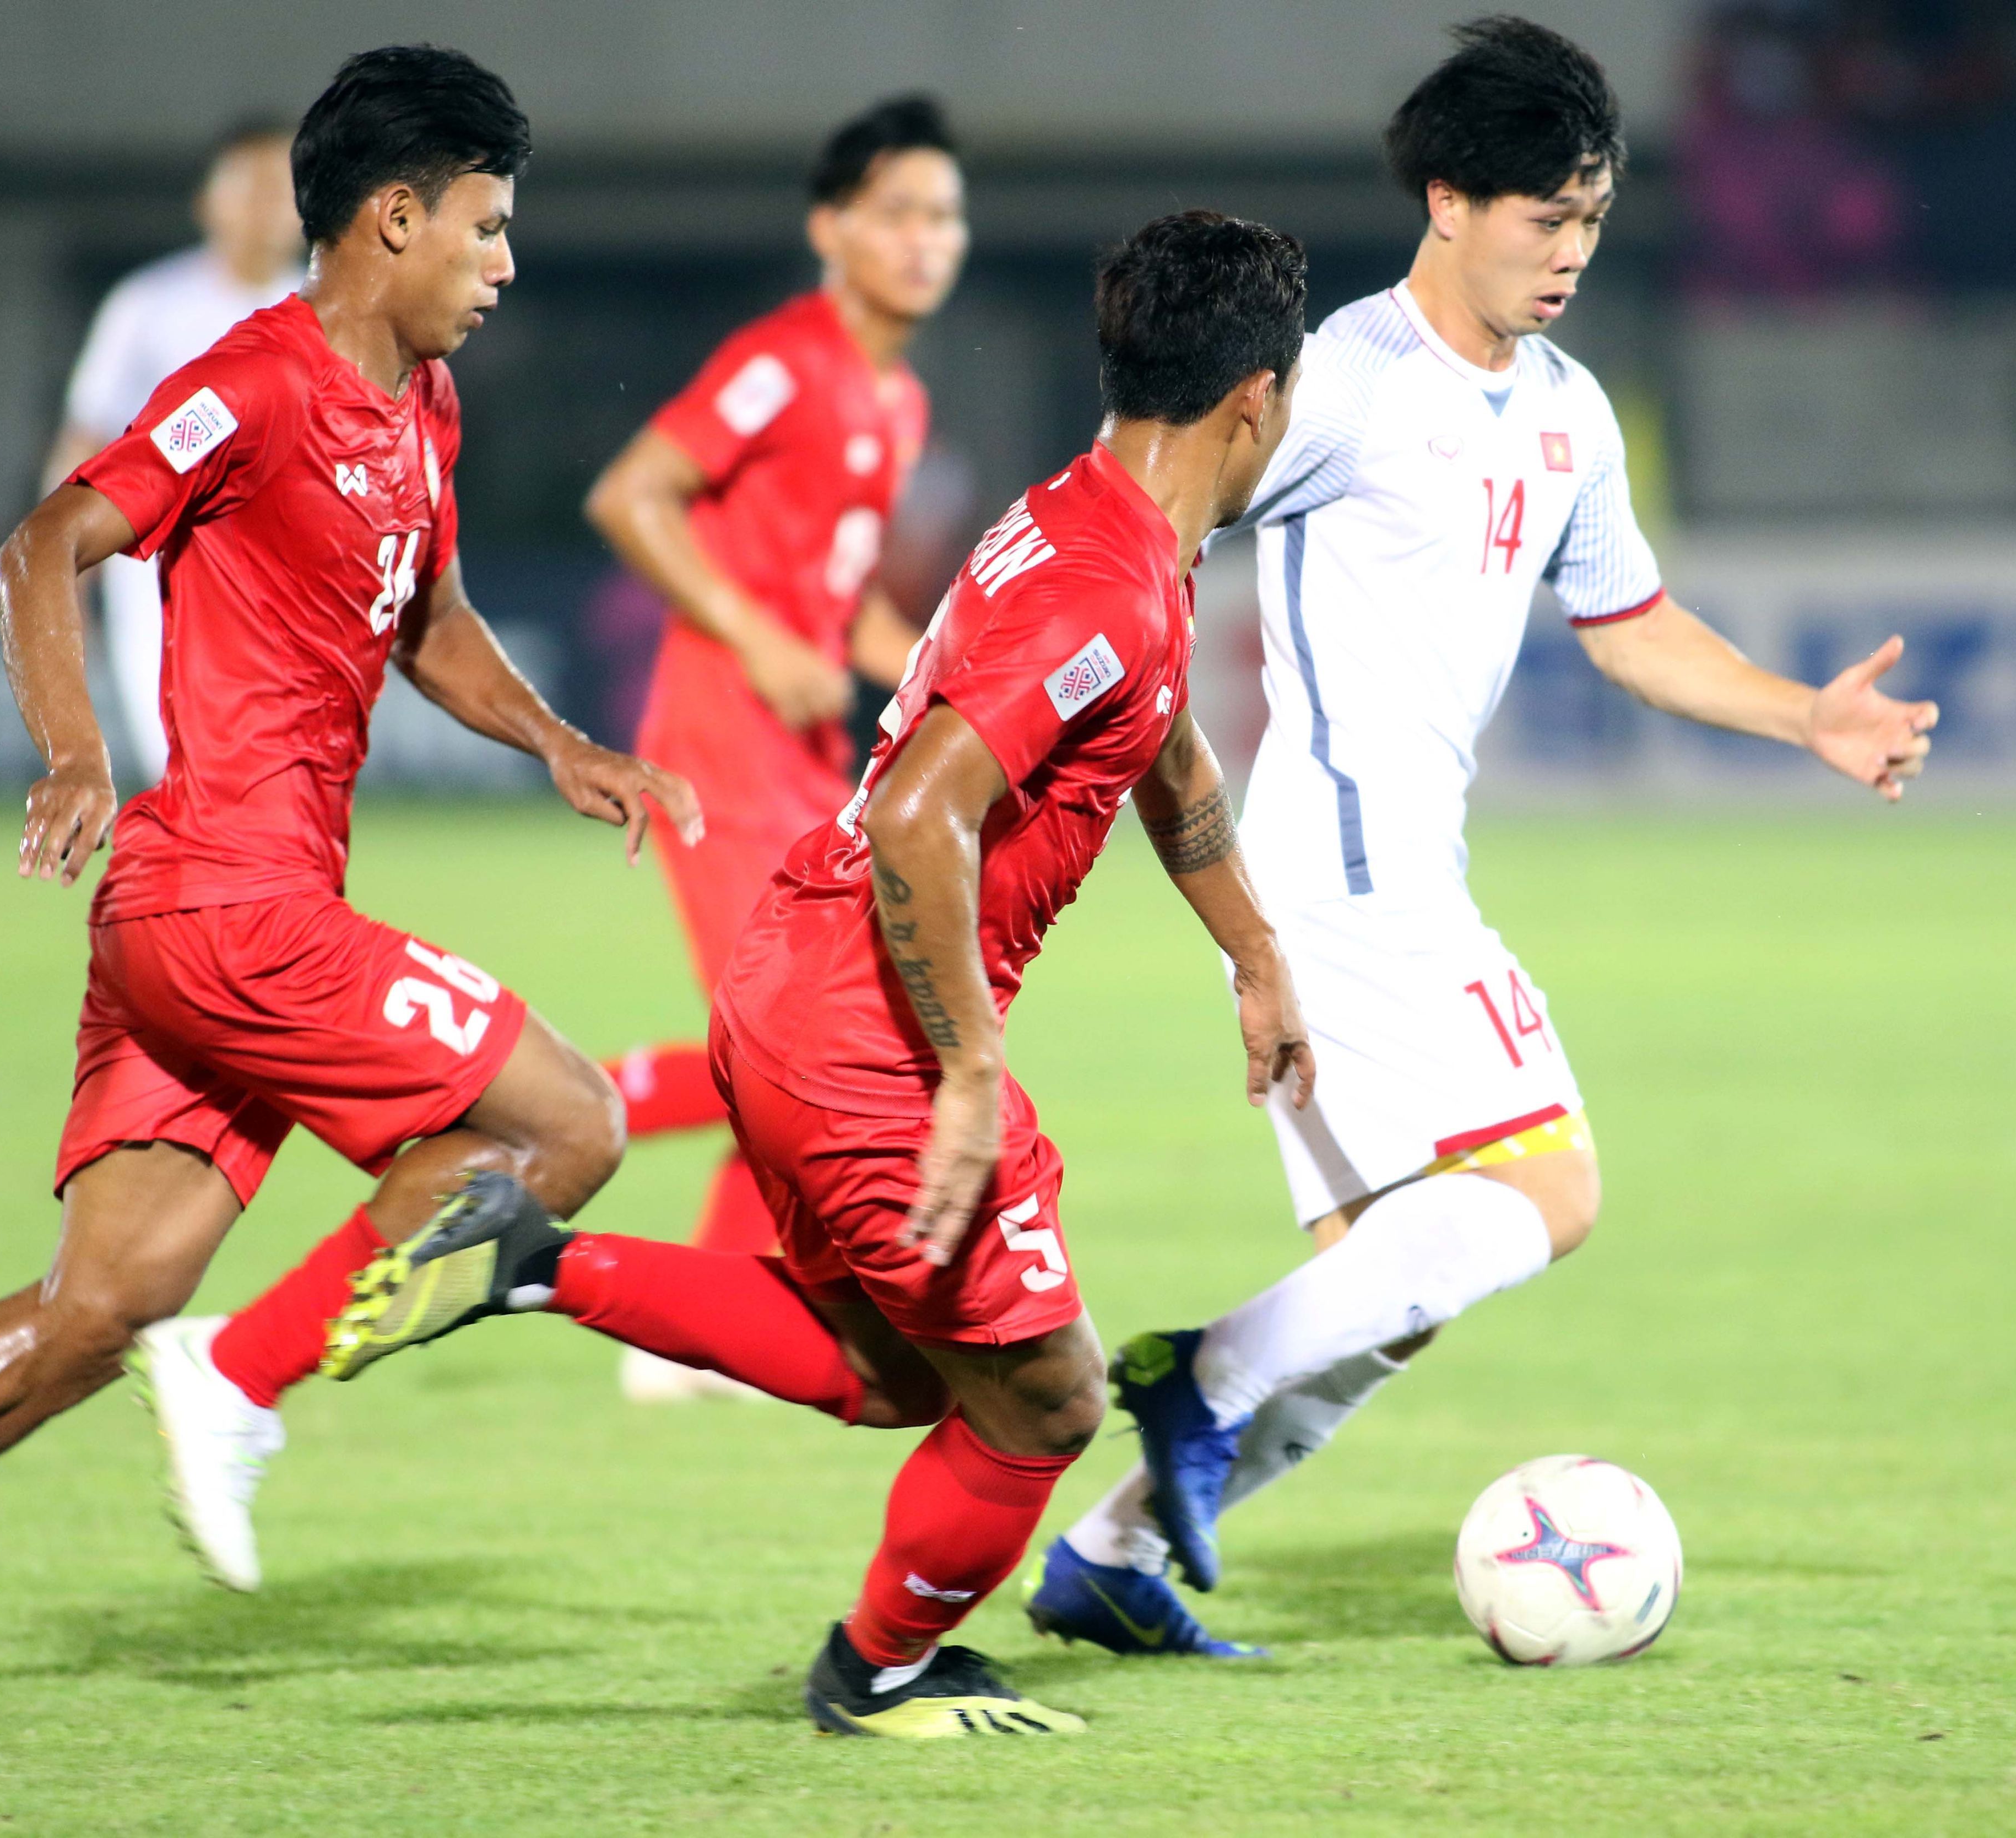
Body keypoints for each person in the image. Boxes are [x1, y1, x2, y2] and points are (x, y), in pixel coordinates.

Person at [310, 210, 1319, 1736]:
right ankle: (874, 1676)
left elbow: (1160, 748)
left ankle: (524, 1257)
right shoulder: (1108, 588)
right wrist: (972, 1070)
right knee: (1042, 1400)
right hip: (869, 1031)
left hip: (801, 976)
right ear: (1256, 397)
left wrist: (1252, 951)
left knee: (904, 1373)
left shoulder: (1098, 526)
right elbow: (922, 806)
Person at [1026, 15, 1939, 1657]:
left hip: (1388, 868)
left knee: (1396, 1285)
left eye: (1592, 218)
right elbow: (1143, 504)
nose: (1572, 250)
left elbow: (1632, 620)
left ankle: (1112, 1550)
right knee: (1554, 1184)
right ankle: (1200, 1374)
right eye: (1545, 215)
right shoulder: (1345, 386)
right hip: (1341, 864)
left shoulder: (1572, 411)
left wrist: (1804, 710)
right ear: (1449, 198)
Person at [0, 46, 703, 1589]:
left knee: (94, 1315)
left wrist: (564, 744)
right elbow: (44, 543)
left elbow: (425, 613)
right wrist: (76, 748)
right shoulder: (252, 380)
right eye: (485, 227)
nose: (504, 265)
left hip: (204, 922)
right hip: (232, 903)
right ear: (391, 219)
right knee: (570, 1126)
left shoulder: (420, 402)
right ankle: (244, 1378)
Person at [582, 95, 964, 1401]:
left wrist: (928, 669)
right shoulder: (783, 361)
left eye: (943, 216)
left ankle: (707, 1319)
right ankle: (551, 1106)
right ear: (831, 228)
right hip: (717, 738)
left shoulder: (896, 401)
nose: (926, 240)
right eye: (899, 213)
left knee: (834, 1029)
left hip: (801, 751)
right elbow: (629, 493)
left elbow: (834, 592)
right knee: (791, 1040)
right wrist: (748, 634)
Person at [46, 121, 306, 785]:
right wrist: (66, 573)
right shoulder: (150, 308)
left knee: (277, 790)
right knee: (192, 775)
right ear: (208, 201)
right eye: (249, 186)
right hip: (165, 572)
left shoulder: (331, 309)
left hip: (292, 579)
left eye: (284, 186)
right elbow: (90, 446)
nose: (266, 203)